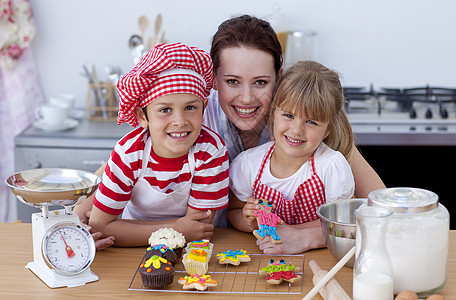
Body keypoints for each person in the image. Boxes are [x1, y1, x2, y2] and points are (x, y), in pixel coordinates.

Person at [75, 15, 385, 249]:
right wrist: (82, 210)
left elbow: (379, 206)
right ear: (212, 79)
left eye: (261, 83)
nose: (247, 98)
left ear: (278, 78)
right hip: (197, 244)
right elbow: (122, 162)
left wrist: (309, 235)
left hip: (253, 246)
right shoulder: (193, 112)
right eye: (232, 82)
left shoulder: (299, 120)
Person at [87, 42, 229, 247]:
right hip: (130, 253)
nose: (180, 121)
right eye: (165, 110)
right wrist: (178, 228)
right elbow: (101, 226)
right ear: (141, 116)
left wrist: (123, 228)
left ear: (204, 108)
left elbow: (199, 229)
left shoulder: (210, 151)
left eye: (190, 107)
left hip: (183, 251)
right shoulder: (129, 153)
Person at [228, 60, 355, 254]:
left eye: (311, 121)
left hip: (321, 258)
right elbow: (233, 212)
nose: (296, 130)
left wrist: (296, 235)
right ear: (273, 115)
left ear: (328, 129)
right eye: (288, 115)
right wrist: (251, 222)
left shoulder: (331, 166)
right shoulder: (248, 165)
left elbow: (346, 226)